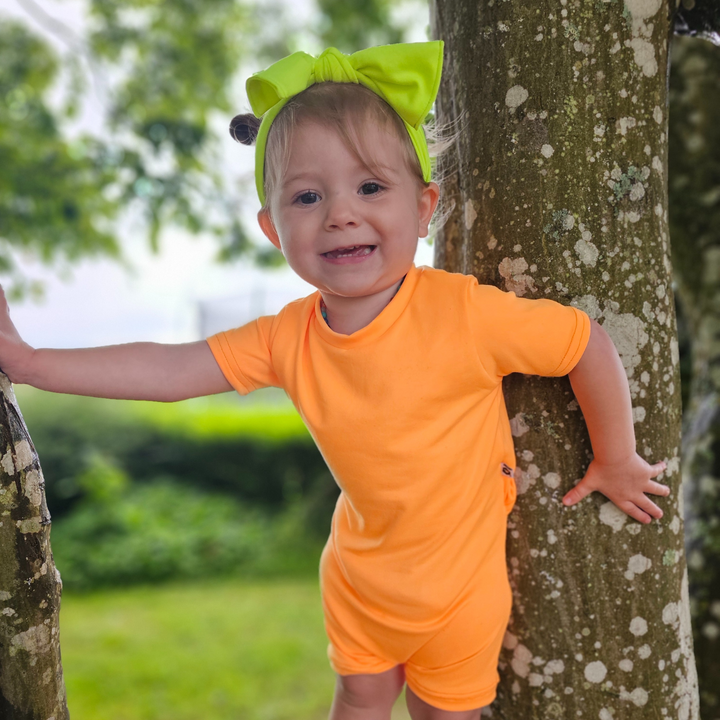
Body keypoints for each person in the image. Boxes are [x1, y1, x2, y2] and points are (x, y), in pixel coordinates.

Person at [0, 41, 670, 720]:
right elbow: (172, 368)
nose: (341, 213)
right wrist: (30, 363)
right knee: (358, 699)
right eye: (307, 195)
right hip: (358, 583)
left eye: (371, 187)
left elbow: (583, 341)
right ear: (272, 228)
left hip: (461, 596)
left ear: (424, 206)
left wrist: (616, 458)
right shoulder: (286, 337)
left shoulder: (464, 313)